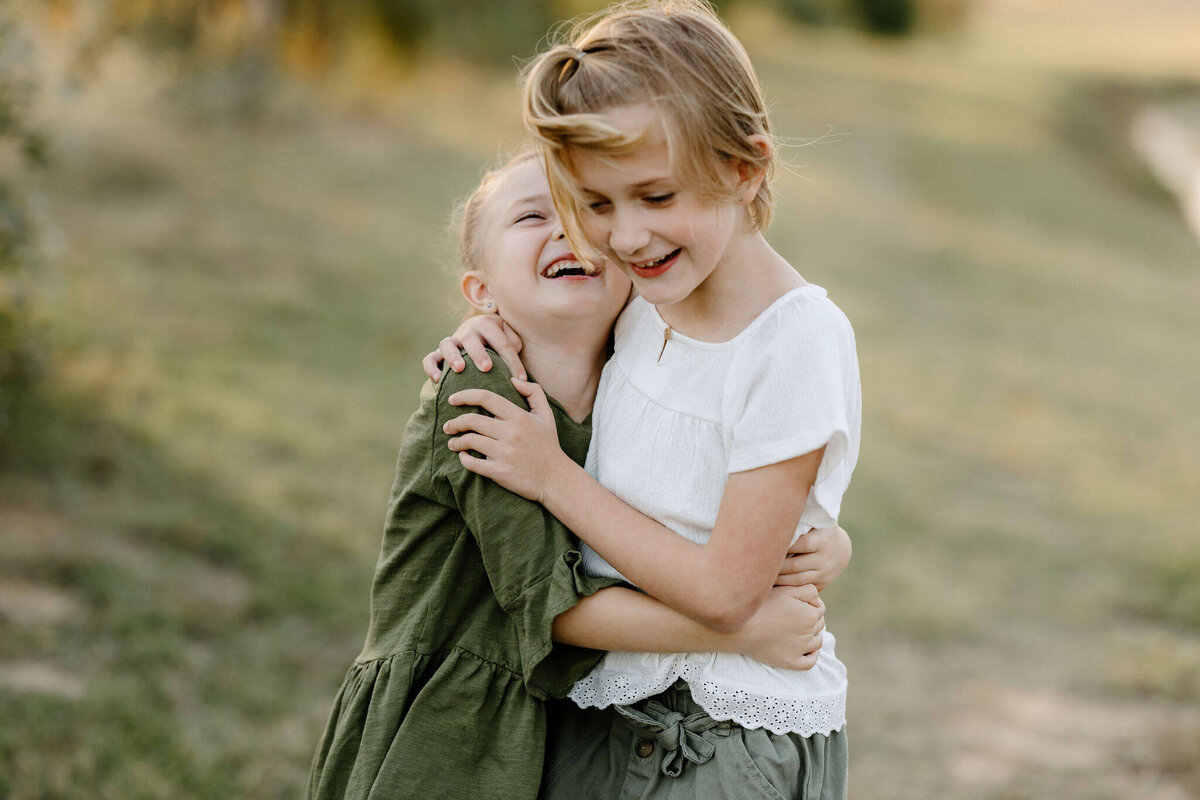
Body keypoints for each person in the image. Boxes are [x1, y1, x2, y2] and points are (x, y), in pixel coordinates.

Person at [306, 150, 837, 800]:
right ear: (481, 291)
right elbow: (548, 604)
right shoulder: (482, 394)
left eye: (586, 216)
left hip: (560, 724)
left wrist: (825, 545)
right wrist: (747, 633)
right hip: (445, 722)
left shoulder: (634, 370)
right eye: (533, 216)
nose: (567, 231)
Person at [432, 2, 862, 797]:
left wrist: (554, 477)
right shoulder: (644, 294)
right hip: (606, 707)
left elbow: (728, 594)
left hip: (725, 737)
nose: (626, 238)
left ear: (746, 166)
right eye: (596, 205)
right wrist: (482, 325)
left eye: (656, 198)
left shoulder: (794, 341)